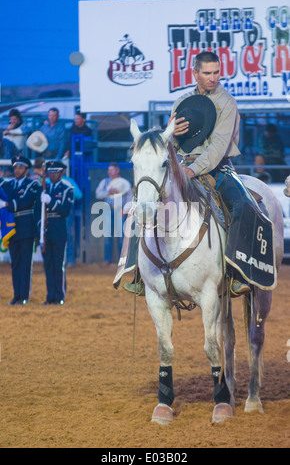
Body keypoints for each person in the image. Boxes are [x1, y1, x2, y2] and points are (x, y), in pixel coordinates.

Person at [124, 51, 275, 297]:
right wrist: (172, 134)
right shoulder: (182, 102)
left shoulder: (227, 102)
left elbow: (218, 147)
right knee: (141, 205)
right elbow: (167, 145)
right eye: (207, 73)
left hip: (219, 168)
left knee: (243, 206)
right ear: (195, 73)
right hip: (181, 165)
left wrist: (191, 170)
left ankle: (236, 272)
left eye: (216, 72)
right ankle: (141, 273)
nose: (213, 78)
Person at [0, 156, 40, 305]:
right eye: (15, 167)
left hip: (26, 227)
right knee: (15, 263)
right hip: (11, 228)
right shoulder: (8, 185)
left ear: (26, 169)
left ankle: (24, 295)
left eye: (20, 167)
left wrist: (6, 204)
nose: (17, 170)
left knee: (25, 263)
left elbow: (25, 202)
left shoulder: (32, 184)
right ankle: (16, 294)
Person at [40, 160, 74, 305]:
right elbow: (38, 211)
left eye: (55, 172)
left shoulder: (67, 189)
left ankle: (59, 296)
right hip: (46, 229)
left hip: (59, 229)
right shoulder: (44, 188)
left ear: (61, 173)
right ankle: (50, 296)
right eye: (50, 172)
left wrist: (51, 202)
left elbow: (65, 210)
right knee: (48, 264)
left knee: (58, 264)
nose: (52, 175)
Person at [95, 162, 133, 266]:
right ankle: (108, 259)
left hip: (119, 210)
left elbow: (130, 198)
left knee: (121, 236)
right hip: (108, 209)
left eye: (111, 170)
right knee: (108, 236)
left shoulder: (124, 183)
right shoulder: (105, 182)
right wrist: (108, 193)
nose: (109, 172)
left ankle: (122, 261)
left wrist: (124, 210)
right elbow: (98, 194)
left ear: (117, 171)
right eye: (108, 170)